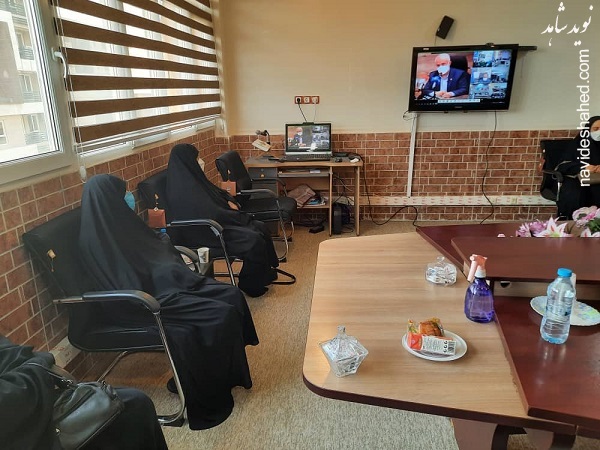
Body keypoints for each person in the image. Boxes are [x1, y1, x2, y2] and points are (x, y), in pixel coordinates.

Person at [78, 174, 259, 430]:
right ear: (109, 199)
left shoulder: (119, 221)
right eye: (121, 195)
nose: (127, 199)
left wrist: (167, 266)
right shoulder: (94, 240)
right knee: (218, 315)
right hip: (137, 303)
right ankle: (205, 386)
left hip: (159, 284)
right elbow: (123, 278)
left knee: (231, 295)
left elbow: (150, 247)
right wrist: (161, 274)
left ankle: (226, 376)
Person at [0, 334, 168, 449]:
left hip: (26, 400)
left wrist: (32, 365)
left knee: (134, 404)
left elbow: (11, 354)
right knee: (131, 410)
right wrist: (36, 366)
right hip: (19, 426)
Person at [165, 143, 280, 297]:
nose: (200, 161)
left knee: (260, 226)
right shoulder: (181, 189)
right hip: (204, 232)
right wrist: (236, 216)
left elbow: (216, 193)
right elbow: (210, 213)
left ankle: (264, 273)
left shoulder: (193, 178)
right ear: (188, 161)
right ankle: (250, 284)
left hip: (217, 224)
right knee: (253, 239)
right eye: (197, 158)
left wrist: (229, 201)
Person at [559, 116, 600, 214]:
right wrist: (584, 167)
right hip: (577, 178)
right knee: (574, 193)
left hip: (598, 179)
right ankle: (575, 219)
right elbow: (563, 166)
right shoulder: (576, 145)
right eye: (596, 129)